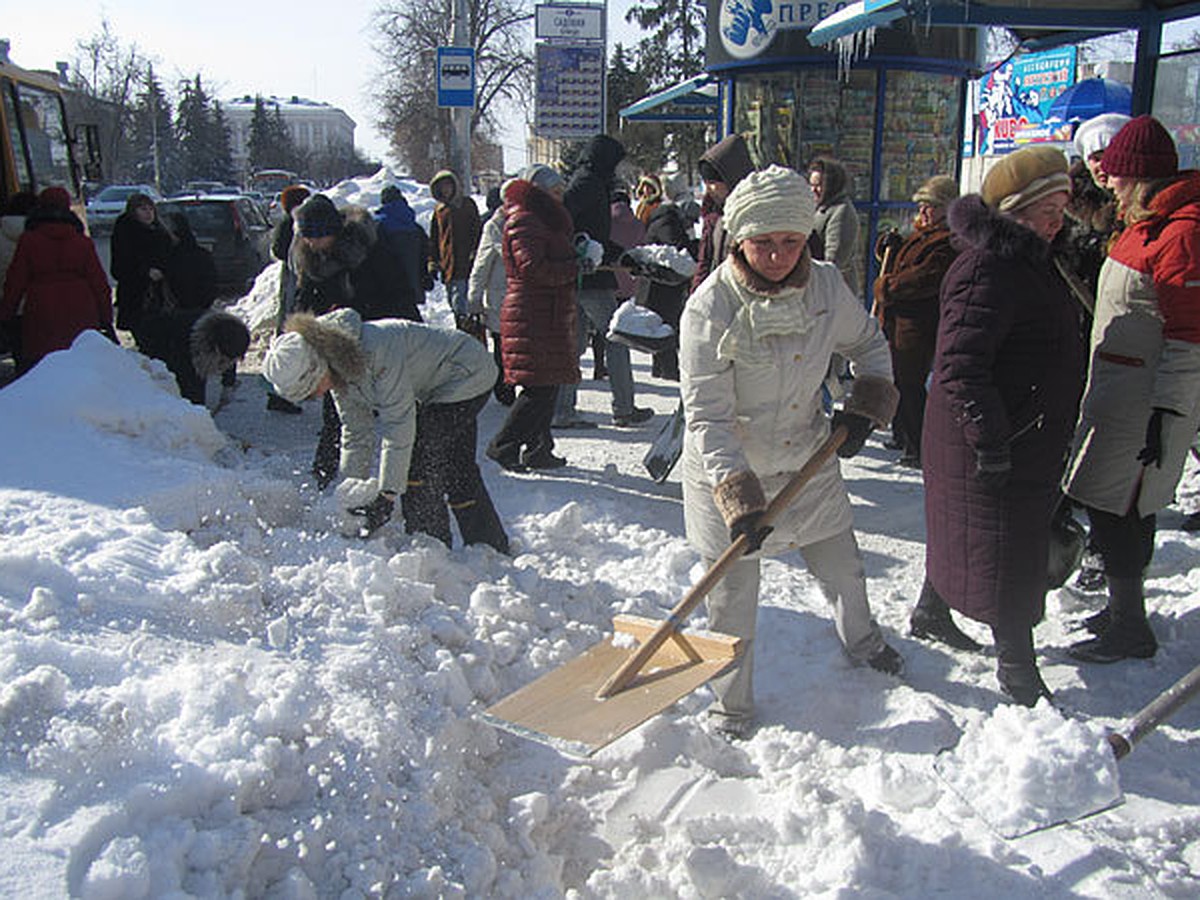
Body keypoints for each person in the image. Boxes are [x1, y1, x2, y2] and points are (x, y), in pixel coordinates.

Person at [680, 165, 902, 739]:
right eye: (763, 243)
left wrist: (864, 407)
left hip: (807, 458)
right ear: (739, 240)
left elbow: (870, 344)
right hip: (730, 471)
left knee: (844, 568)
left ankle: (865, 642)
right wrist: (739, 502)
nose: (777, 255)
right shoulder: (710, 308)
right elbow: (708, 416)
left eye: (790, 242)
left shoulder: (826, 287)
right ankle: (730, 706)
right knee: (731, 598)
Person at [917, 146, 1084, 705]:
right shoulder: (990, 265)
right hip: (991, 438)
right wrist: (991, 442)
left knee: (965, 535)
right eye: (1046, 208)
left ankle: (929, 610)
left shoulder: (1027, 258)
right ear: (1014, 209)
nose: (1057, 218)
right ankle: (1018, 673)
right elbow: (962, 365)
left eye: (1062, 206)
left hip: (1008, 431)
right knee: (1007, 555)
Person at [1062, 115, 1200, 663]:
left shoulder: (1182, 234)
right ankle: (1124, 608)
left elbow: (1190, 338)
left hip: (1145, 404)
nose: (1108, 182)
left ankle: (1130, 625)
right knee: (1110, 505)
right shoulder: (1143, 225)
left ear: (1141, 176)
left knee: (1126, 510)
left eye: (1117, 174)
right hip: (1119, 394)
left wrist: (1167, 412)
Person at [262, 308, 508, 553]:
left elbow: (398, 425)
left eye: (311, 390)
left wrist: (387, 496)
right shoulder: (337, 366)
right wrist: (352, 492)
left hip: (466, 372)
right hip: (439, 383)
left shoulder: (375, 352)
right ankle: (490, 545)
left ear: (317, 369)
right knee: (457, 465)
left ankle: (430, 548)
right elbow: (356, 432)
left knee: (418, 459)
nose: (315, 397)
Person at [290, 193, 423, 489]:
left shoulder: (370, 250)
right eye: (307, 236)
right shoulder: (311, 259)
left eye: (316, 236)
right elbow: (303, 302)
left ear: (332, 231)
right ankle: (326, 477)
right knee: (337, 416)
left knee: (394, 413)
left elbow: (398, 293)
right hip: (335, 348)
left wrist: (408, 335)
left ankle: (407, 479)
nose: (310, 243)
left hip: (379, 342)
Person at [486, 167, 585, 471]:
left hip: (545, 309)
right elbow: (533, 268)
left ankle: (539, 449)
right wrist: (575, 265)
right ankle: (503, 445)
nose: (560, 196)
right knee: (538, 388)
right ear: (539, 191)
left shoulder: (542, 218)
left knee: (548, 383)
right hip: (531, 311)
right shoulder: (525, 219)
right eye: (554, 191)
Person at [557, 134, 653, 428]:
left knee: (572, 346)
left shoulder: (590, 182)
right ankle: (624, 407)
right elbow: (564, 220)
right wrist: (580, 249)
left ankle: (562, 410)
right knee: (617, 337)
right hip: (590, 279)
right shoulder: (588, 184)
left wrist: (623, 256)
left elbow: (592, 232)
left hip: (585, 275)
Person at [871, 175, 959, 468]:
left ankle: (917, 444)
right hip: (897, 320)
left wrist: (887, 288)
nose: (923, 213)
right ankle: (901, 434)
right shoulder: (920, 234)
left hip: (918, 325)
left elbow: (923, 279)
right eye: (921, 206)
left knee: (910, 383)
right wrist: (888, 246)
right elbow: (896, 262)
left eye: (930, 207)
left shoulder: (946, 242)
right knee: (897, 380)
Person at [0, 187, 113, 375]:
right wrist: (106, 319)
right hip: (81, 308)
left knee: (45, 368)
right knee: (80, 363)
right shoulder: (81, 241)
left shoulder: (29, 240)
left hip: (41, 309)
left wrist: (5, 316)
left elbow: (15, 282)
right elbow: (100, 284)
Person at [466, 178, 517, 407]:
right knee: (502, 346)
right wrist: (474, 298)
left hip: (519, 298)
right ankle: (504, 390)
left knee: (514, 347)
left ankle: (511, 386)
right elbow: (481, 264)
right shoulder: (494, 226)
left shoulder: (527, 223)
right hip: (499, 298)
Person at [265, 184, 310, 413]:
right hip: (293, 282)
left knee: (289, 335)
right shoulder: (292, 224)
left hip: (291, 282)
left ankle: (284, 391)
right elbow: (279, 250)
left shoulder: (289, 222)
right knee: (289, 336)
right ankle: (280, 392)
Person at [642, 189, 695, 381]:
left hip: (657, 281)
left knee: (662, 323)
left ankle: (660, 368)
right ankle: (669, 369)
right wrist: (694, 244)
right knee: (667, 324)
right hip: (663, 282)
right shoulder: (668, 223)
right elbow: (678, 247)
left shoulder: (661, 219)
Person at [693, 133, 756, 292]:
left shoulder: (755, 215)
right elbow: (705, 263)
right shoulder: (713, 216)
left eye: (713, 182)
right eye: (706, 183)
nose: (709, 189)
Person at [110, 191, 172, 345]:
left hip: (161, 296)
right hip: (136, 297)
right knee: (146, 339)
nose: (148, 213)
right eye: (142, 209)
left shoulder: (161, 232)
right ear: (133, 211)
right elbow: (119, 267)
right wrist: (145, 272)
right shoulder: (125, 232)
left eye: (150, 209)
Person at [427, 169, 482, 329]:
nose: (446, 190)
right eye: (442, 187)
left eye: (448, 186)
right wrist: (433, 261)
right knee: (453, 302)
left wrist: (475, 252)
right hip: (448, 266)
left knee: (462, 306)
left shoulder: (466, 205)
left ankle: (467, 336)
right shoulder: (439, 210)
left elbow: (477, 231)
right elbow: (435, 239)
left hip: (466, 264)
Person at [808, 156, 863, 296]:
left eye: (819, 185)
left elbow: (835, 260)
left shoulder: (841, 211)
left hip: (835, 293)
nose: (813, 190)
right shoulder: (816, 208)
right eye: (811, 185)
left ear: (831, 185)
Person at [374, 184, 430, 320]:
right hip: (412, 288)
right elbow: (426, 253)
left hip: (387, 290)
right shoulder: (415, 226)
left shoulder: (377, 226)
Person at [0, 191, 39, 368]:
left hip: (14, 308)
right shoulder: (42, 235)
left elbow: (13, 281)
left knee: (22, 357)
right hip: (42, 306)